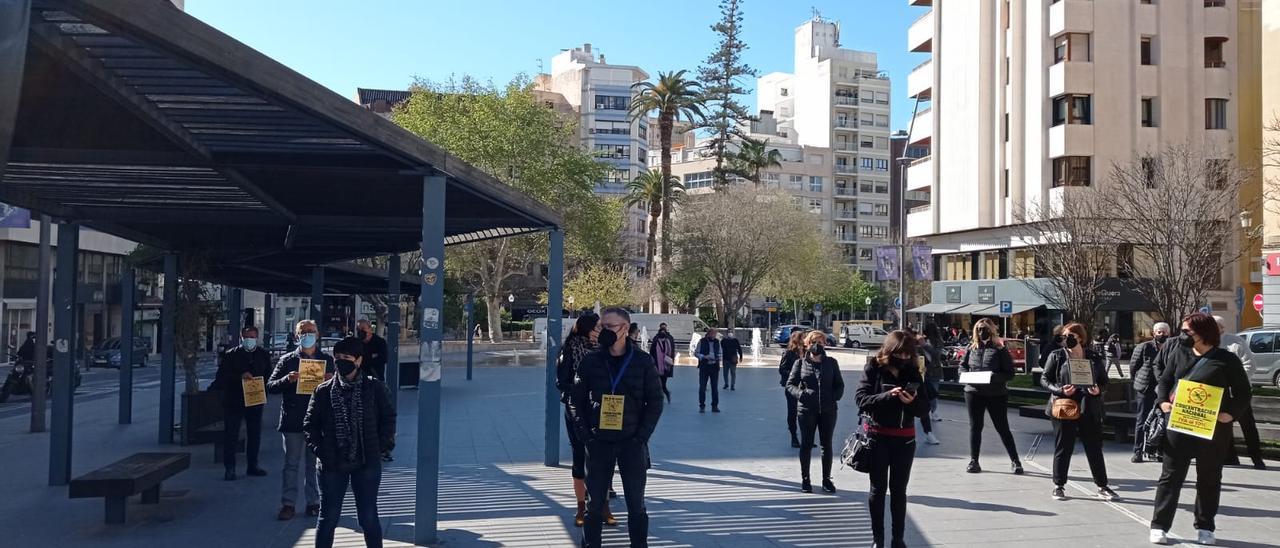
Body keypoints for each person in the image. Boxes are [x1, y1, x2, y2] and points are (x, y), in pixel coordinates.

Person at [1148, 313, 1252, 546]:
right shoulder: (1179, 353)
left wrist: (1230, 414)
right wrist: (1163, 402)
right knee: (1171, 476)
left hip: (1212, 428)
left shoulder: (1226, 360)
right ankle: (1159, 525)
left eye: (1187, 331)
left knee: (1209, 477)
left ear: (1203, 333)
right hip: (1179, 424)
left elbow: (1244, 393)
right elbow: (1164, 381)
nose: (1182, 335)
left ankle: (1205, 526)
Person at [569, 307, 664, 548]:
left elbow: (655, 402)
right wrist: (586, 436)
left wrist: (641, 437)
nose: (602, 332)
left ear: (624, 329)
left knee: (636, 504)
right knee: (594, 504)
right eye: (601, 327)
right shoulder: (591, 360)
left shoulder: (642, 361)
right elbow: (574, 400)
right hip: (599, 443)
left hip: (632, 443)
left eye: (608, 327)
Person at [304, 336, 396, 548]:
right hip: (331, 464)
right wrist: (321, 451)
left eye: (346, 357)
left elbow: (388, 418)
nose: (340, 362)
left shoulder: (375, 388)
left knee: (368, 517)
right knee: (328, 518)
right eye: (337, 357)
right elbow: (310, 425)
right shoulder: (324, 390)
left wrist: (382, 446)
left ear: (359, 361)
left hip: (366, 462)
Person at [856, 331, 929, 548]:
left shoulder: (913, 372)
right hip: (878, 437)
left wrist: (911, 402)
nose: (905, 358)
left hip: (905, 440)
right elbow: (860, 399)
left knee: (899, 491)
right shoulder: (874, 367)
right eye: (901, 354)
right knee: (877, 490)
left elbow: (924, 409)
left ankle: (898, 539)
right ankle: (878, 539)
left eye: (909, 354)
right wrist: (887, 396)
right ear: (890, 350)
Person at [1041, 323, 1119, 502]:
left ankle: (1102, 485)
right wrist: (1059, 389)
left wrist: (1098, 390)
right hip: (1064, 405)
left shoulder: (1092, 356)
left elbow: (1104, 381)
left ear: (1080, 338)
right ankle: (1058, 485)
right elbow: (1044, 379)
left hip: (1088, 405)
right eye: (1064, 336)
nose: (1066, 339)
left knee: (1094, 448)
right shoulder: (1057, 356)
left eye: (1071, 336)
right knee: (1064, 446)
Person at [266, 320, 333, 520]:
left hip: (317, 420)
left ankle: (313, 502)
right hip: (293, 420)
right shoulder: (287, 360)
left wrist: (332, 379)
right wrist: (287, 379)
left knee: (314, 464)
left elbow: (341, 389)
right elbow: (271, 386)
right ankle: (288, 504)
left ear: (318, 334)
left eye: (311, 332)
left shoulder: (327, 360)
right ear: (297, 336)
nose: (307, 335)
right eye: (303, 332)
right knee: (291, 464)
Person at [554, 314, 617, 528]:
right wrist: (581, 394)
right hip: (578, 411)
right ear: (586, 329)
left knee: (605, 458)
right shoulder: (570, 349)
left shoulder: (605, 349)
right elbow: (561, 382)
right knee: (580, 457)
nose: (600, 329)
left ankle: (603, 504)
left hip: (604, 410)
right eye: (597, 326)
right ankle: (582, 506)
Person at [959, 318, 1023, 474]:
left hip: (996, 394)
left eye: (985, 329)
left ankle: (1015, 461)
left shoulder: (1000, 350)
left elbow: (1009, 373)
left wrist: (993, 377)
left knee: (1002, 427)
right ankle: (974, 461)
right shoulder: (971, 348)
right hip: (974, 393)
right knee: (975, 427)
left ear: (992, 330)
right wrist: (964, 375)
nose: (982, 332)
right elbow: (962, 366)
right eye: (979, 329)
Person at [786, 330, 845, 494]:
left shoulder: (831, 363)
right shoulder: (800, 363)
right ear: (807, 344)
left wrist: (834, 397)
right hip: (806, 410)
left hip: (828, 409)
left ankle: (826, 479)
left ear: (825, 344)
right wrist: (801, 395)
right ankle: (806, 479)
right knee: (806, 444)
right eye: (814, 342)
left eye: (820, 342)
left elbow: (839, 384)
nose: (817, 345)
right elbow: (790, 385)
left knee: (827, 445)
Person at [211, 325, 271, 481]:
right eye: (246, 337)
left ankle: (253, 465)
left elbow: (269, 376)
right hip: (234, 399)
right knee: (231, 435)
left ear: (257, 337)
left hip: (255, 399)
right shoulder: (231, 355)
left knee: (254, 434)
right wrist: (240, 376)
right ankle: (229, 468)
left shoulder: (263, 355)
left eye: (252, 337)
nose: (249, 340)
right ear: (241, 337)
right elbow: (221, 378)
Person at [1213, 316, 1265, 469]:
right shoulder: (1208, 343)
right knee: (1223, 425)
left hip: (1237, 393)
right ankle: (1230, 457)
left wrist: (1236, 381)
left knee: (1248, 426)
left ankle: (1256, 457)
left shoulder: (1236, 342)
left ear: (1221, 327)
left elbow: (1250, 364)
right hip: (1219, 393)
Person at [1130, 322, 1170, 463]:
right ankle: (1138, 451)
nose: (1162, 334)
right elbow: (1133, 367)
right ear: (1154, 333)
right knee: (1142, 420)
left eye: (1165, 332)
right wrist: (1138, 382)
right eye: (1159, 332)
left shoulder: (1171, 348)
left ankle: (1158, 451)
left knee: (1162, 421)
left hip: (1164, 390)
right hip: (1145, 388)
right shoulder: (1144, 347)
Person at [779, 331, 806, 448]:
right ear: (796, 340)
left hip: (806, 388)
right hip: (792, 388)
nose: (804, 340)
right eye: (802, 338)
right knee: (793, 412)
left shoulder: (807, 353)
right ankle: (794, 437)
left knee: (806, 413)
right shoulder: (788, 353)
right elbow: (782, 369)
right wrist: (794, 374)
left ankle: (807, 437)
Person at [915, 333, 942, 445]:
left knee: (925, 404)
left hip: (924, 378)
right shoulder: (912, 350)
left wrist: (925, 345)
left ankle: (929, 432)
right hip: (918, 379)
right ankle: (926, 433)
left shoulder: (926, 348)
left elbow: (935, 356)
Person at [694, 327, 722, 413]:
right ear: (709, 333)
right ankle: (702, 405)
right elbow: (696, 353)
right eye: (713, 334)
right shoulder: (702, 341)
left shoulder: (717, 342)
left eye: (715, 334)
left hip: (714, 367)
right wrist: (703, 357)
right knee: (702, 387)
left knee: (715, 388)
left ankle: (715, 406)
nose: (714, 335)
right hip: (704, 367)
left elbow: (720, 353)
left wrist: (718, 358)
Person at [648, 323, 676, 403]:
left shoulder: (669, 339)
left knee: (662, 384)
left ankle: (665, 395)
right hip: (657, 365)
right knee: (658, 384)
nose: (663, 332)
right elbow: (652, 352)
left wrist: (671, 362)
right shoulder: (656, 339)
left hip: (666, 366)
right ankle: (662, 396)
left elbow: (671, 352)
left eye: (664, 330)